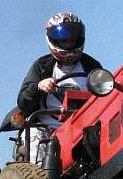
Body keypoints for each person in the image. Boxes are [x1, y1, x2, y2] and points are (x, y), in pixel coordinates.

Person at [16, 11, 102, 163]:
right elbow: (23, 101)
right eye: (64, 41)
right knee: (34, 134)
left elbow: (104, 96)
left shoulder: (92, 67)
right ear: (53, 40)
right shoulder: (41, 67)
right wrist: (39, 86)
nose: (69, 44)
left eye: (72, 40)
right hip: (46, 128)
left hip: (81, 130)